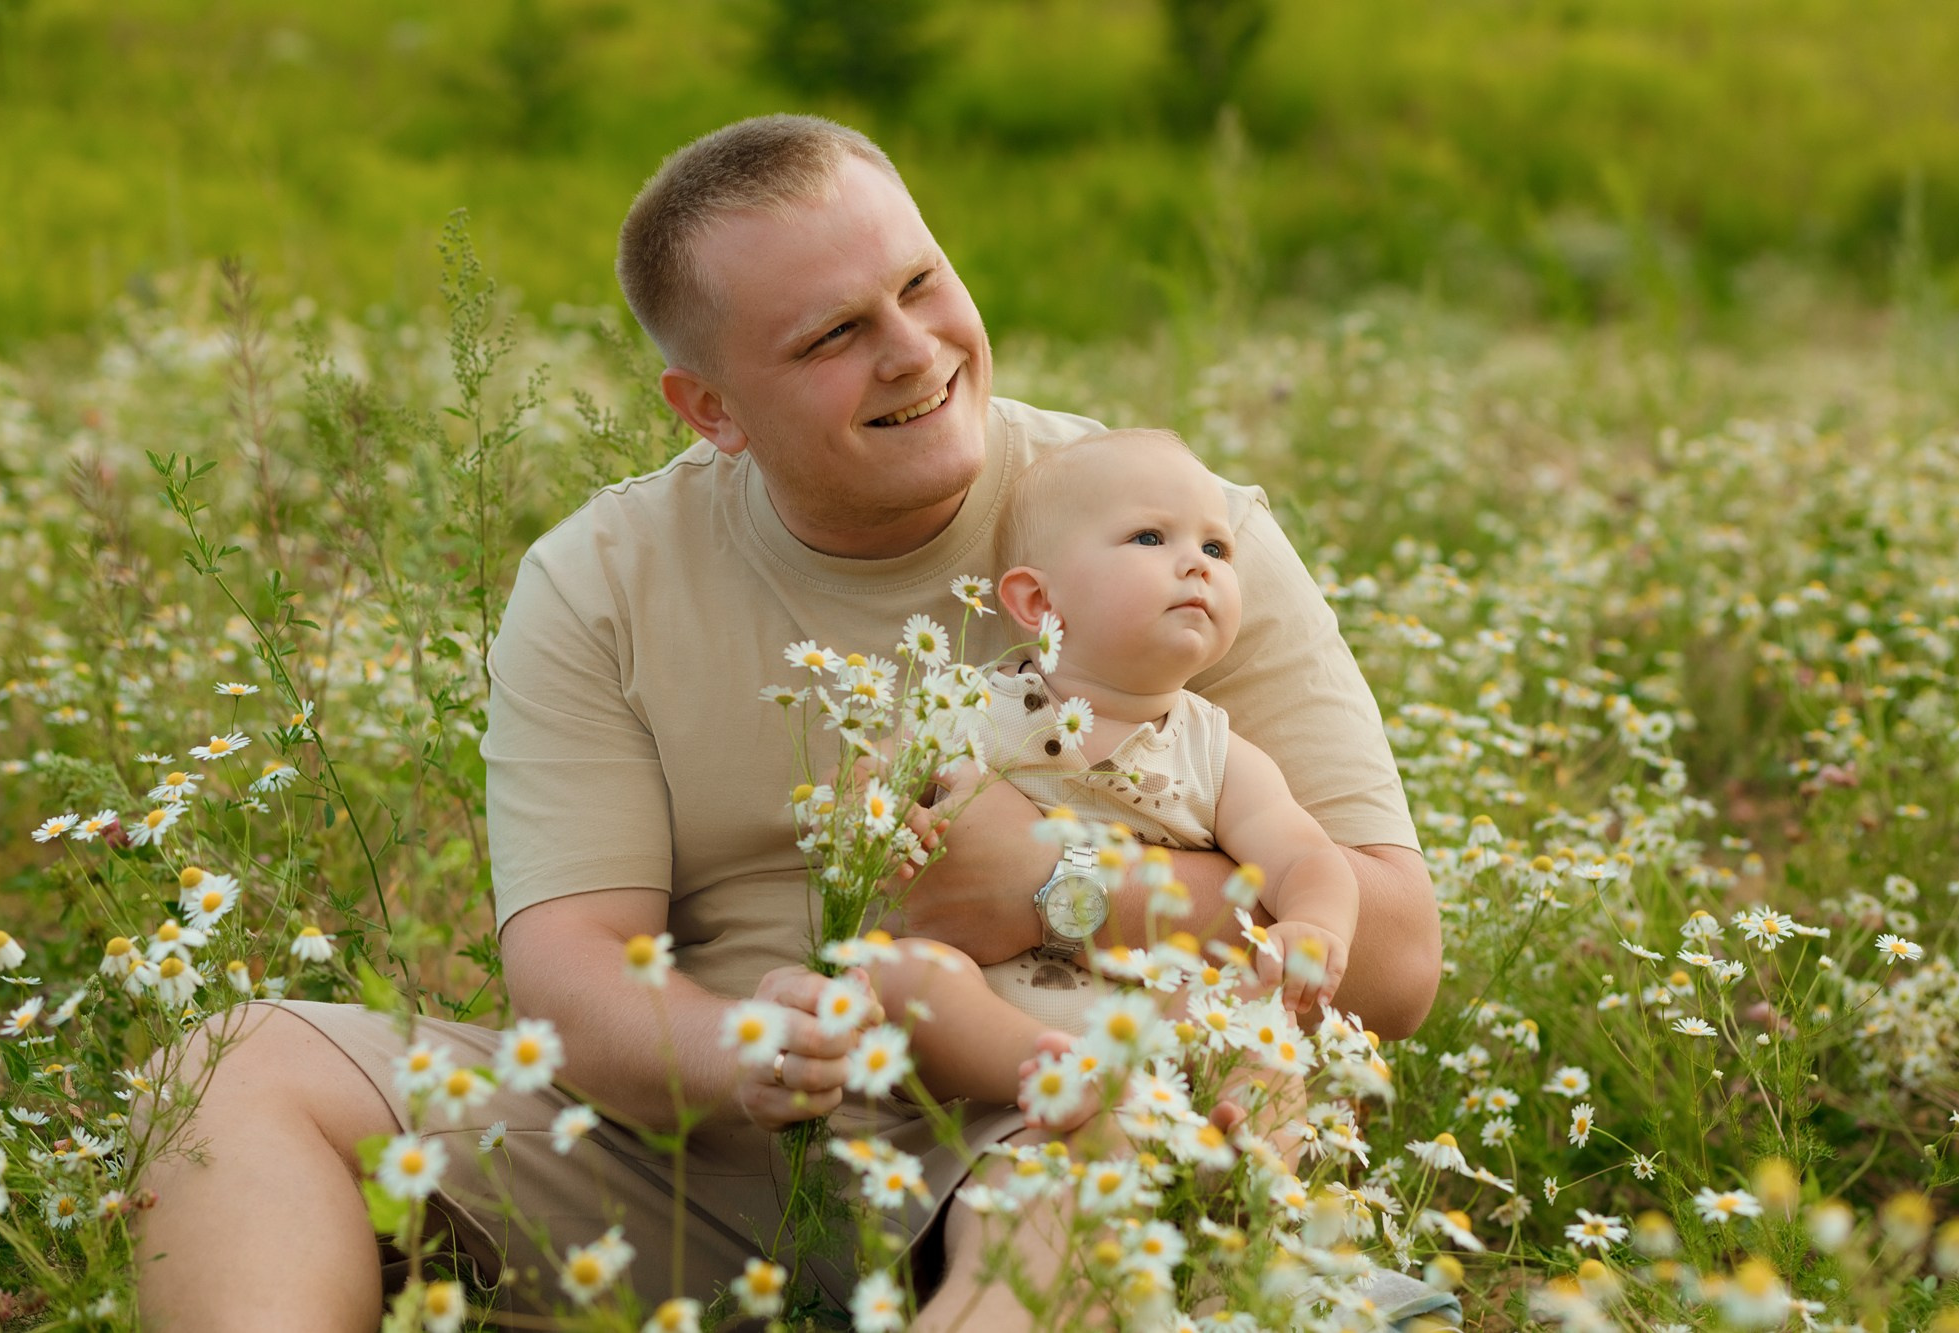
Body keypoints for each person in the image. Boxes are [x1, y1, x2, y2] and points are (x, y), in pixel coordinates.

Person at [133, 114, 1444, 1332]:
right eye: (832, 336)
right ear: (711, 409)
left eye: (922, 285)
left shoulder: (1169, 527)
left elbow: (1390, 957)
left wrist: (1063, 882)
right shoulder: (602, 580)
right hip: (714, 1172)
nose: (916, 351)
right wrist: (737, 1051)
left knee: (1070, 1161)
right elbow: (573, 970)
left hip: (1069, 1102)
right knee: (234, 1072)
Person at [866, 428, 1361, 1128]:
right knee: (899, 974)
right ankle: (1059, 1072)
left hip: (1163, 1019)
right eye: (1150, 538)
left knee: (1261, 1021)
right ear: (1038, 602)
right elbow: (874, 776)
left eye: (1216, 548)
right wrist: (873, 815)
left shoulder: (1215, 751)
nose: (1197, 563)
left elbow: (1307, 856)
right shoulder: (971, 709)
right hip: (992, 1022)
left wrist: (1313, 924)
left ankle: (1247, 1162)